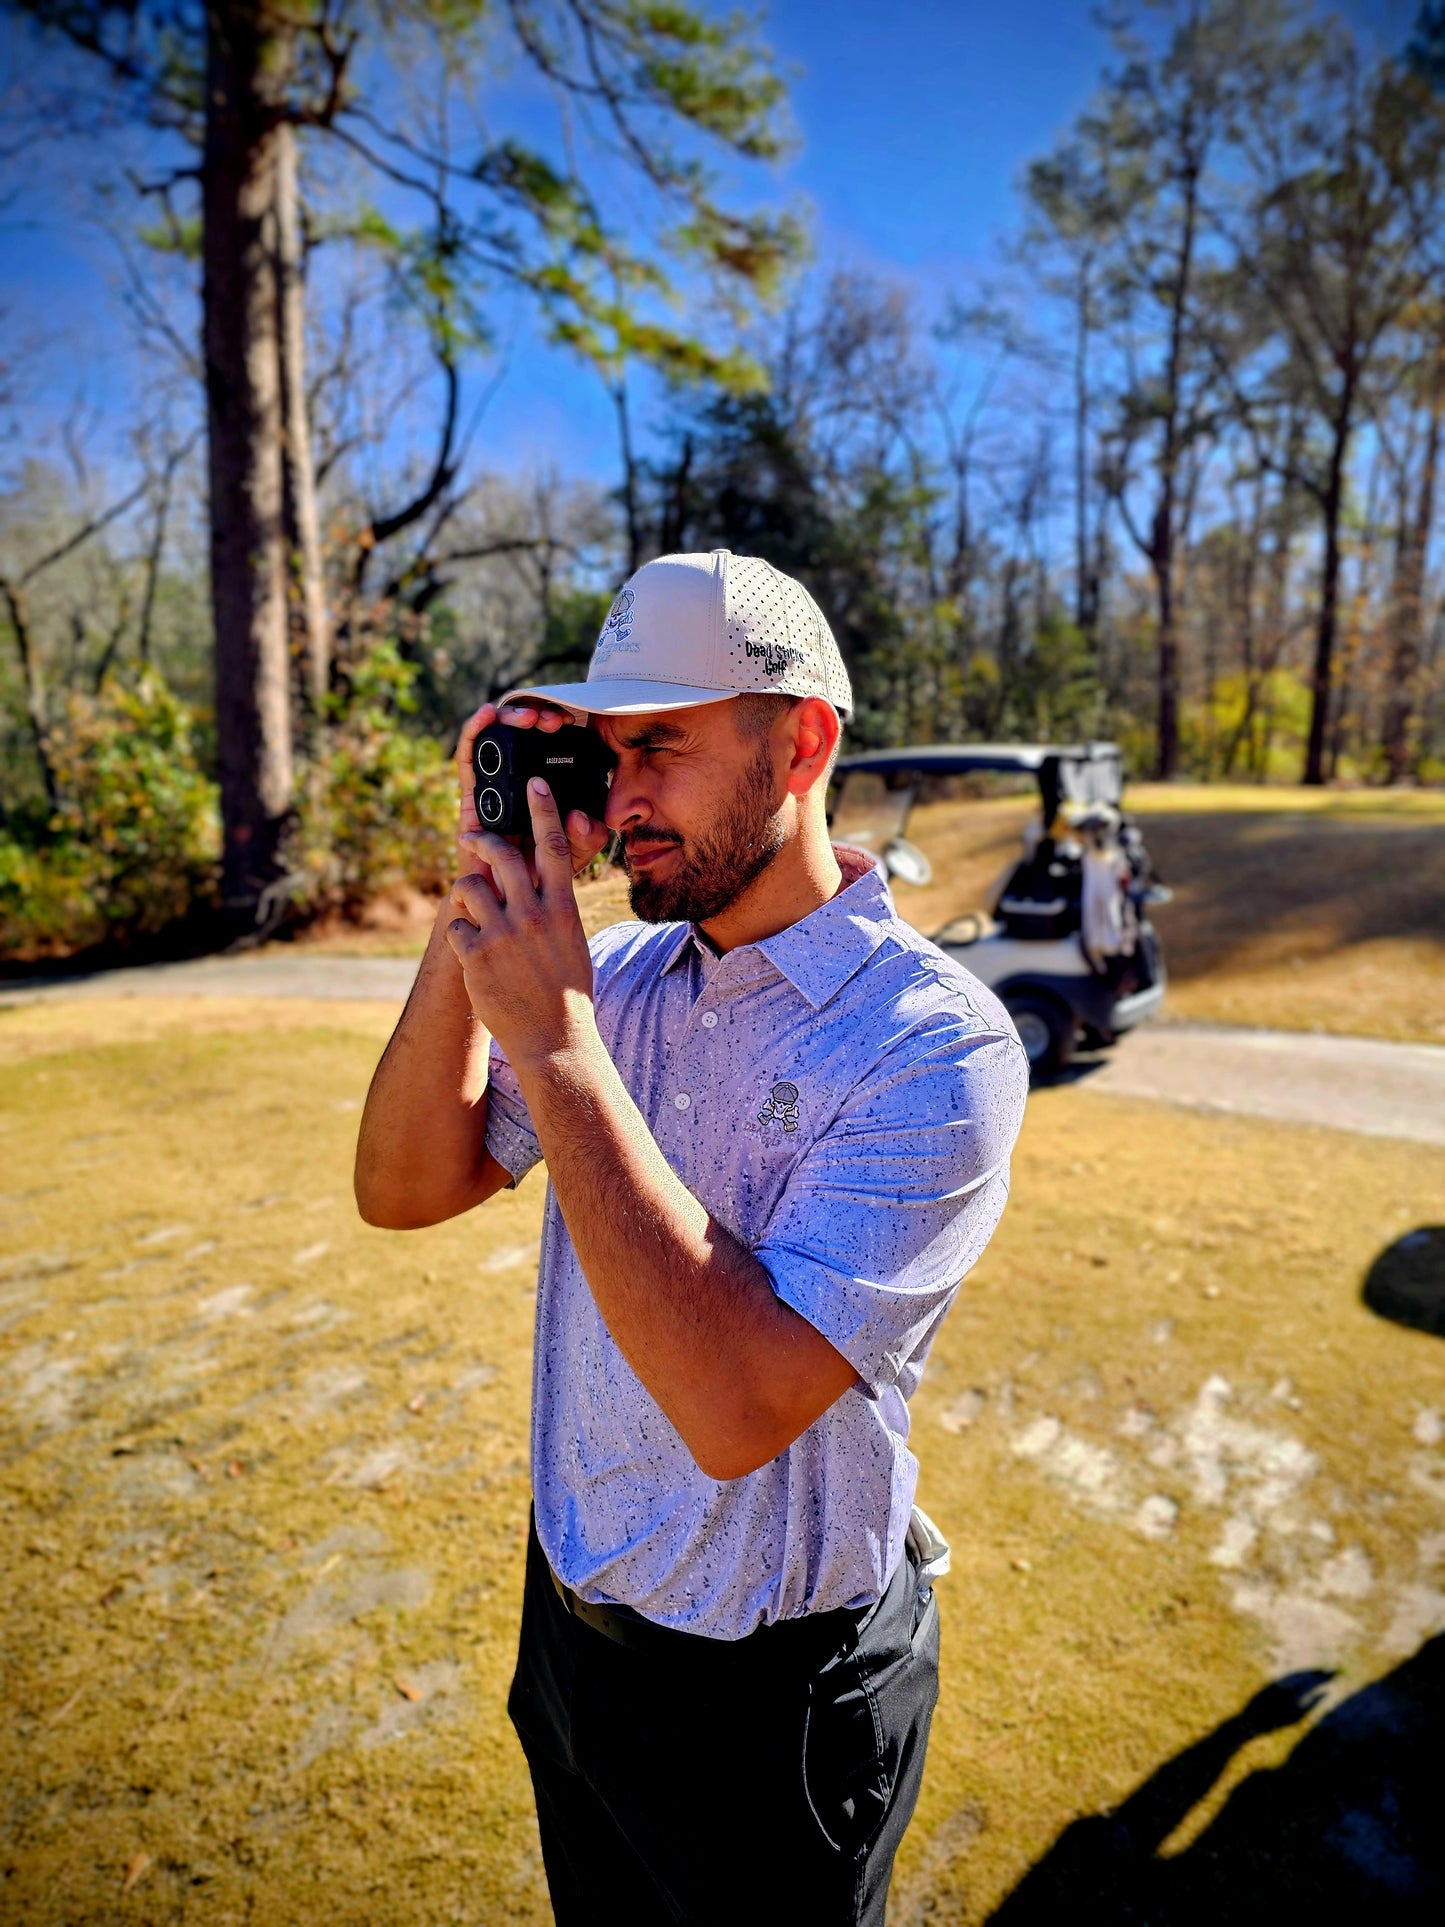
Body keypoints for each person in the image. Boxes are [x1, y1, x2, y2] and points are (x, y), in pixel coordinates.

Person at [354, 549, 1029, 1925]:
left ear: (801, 743)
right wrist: (481, 896)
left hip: (772, 1711)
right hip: (574, 1640)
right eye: (603, 754)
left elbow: (734, 1406)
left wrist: (551, 1041)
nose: (624, 793)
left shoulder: (934, 1046)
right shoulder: (621, 983)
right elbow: (402, 1186)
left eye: (659, 743)